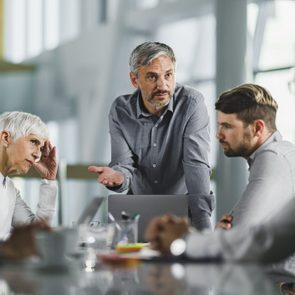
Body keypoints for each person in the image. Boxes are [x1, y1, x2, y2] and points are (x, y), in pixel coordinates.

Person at [145, 83, 295, 262]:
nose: (218, 134)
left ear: (257, 128)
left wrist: (187, 239)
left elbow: (241, 236)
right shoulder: (281, 154)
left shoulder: (272, 158)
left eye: (227, 126)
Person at [88, 41, 213, 230]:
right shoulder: (121, 110)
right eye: (152, 77)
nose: (162, 85)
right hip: (138, 216)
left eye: (168, 75)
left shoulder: (191, 104)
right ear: (134, 79)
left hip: (182, 217)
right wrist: (119, 178)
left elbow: (196, 167)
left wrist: (204, 229)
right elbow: (123, 165)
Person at [0, 111, 58, 240]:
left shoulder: (9, 188)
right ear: (5, 138)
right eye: (33, 142)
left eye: (41, 148)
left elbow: (37, 232)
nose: (38, 155)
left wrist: (49, 181)